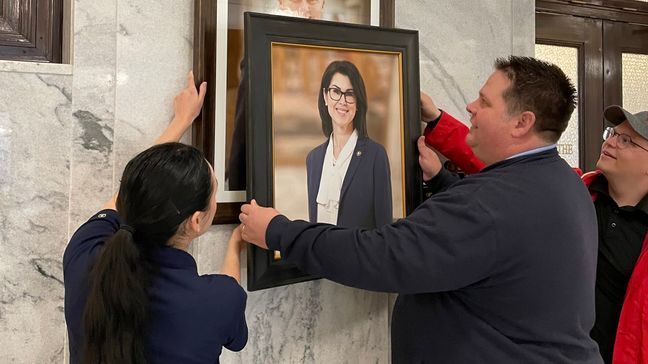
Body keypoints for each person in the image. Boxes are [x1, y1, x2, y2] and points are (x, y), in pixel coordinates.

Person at [239, 56, 603, 363]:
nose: (470, 107)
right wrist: (443, 181)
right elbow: (497, 236)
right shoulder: (561, 181)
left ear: (522, 123)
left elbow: (381, 255)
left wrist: (279, 232)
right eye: (334, 92)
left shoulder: (487, 202)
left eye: (484, 102)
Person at [418, 92, 648, 363]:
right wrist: (436, 119)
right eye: (611, 133)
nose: (610, 142)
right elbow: (508, 164)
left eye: (626, 140)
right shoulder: (575, 191)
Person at [63, 72, 248, 364]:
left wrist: (180, 121)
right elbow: (228, 295)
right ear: (197, 221)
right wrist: (235, 244)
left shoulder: (84, 254)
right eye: (214, 193)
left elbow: (131, 190)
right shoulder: (218, 301)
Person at [226, 0, 326, 190]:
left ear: (323, 4)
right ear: (281, 2)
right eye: (296, 0)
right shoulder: (261, 56)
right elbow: (242, 143)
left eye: (313, 0)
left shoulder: (340, 57)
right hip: (281, 186)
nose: (305, 8)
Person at [306, 60, 392, 228]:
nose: (342, 101)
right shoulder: (313, 159)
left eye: (350, 94)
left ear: (358, 102)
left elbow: (384, 231)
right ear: (325, 97)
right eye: (336, 92)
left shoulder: (376, 156)